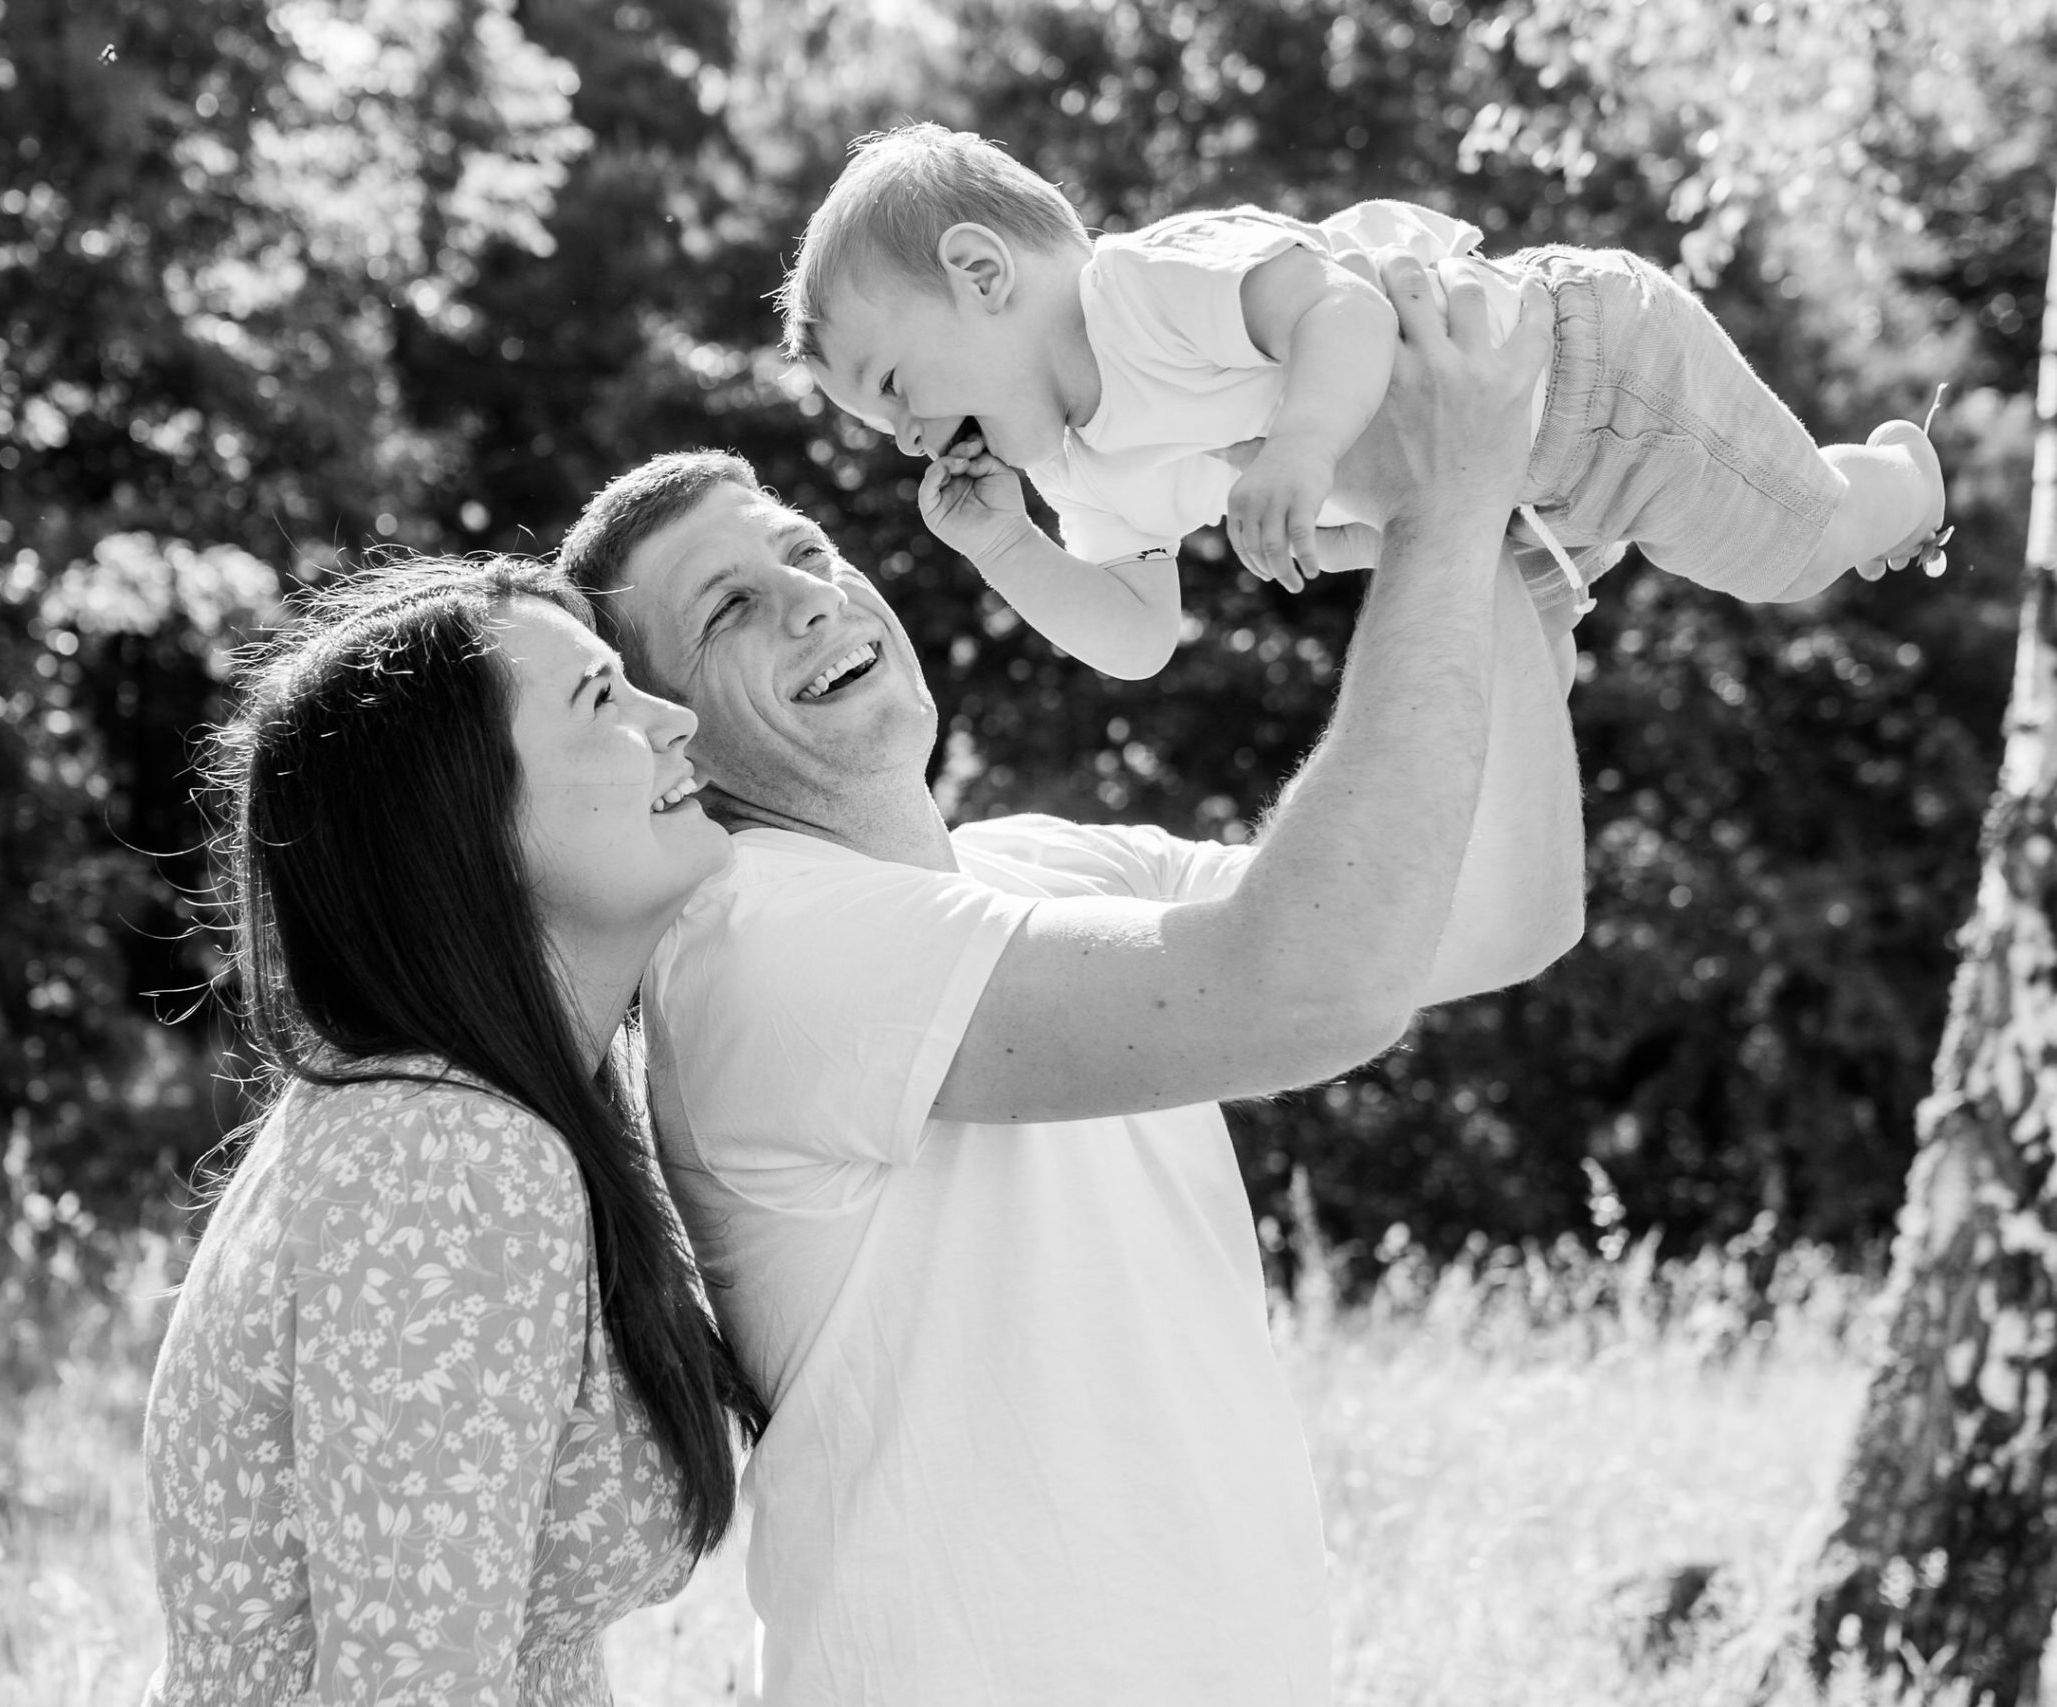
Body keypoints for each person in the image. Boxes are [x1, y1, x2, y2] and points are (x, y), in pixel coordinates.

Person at [556, 256, 1583, 1705]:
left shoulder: (1039, 864)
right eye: (726, 610)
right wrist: (1444, 511)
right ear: (674, 736)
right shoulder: (757, 941)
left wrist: (1492, 541)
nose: (806, 601)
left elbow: (1498, 915)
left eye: (805, 552)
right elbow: (1309, 988)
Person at [139, 558, 766, 1705]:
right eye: (601, 698)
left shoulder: (436, 1114)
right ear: (459, 826)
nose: (674, 719)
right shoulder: (444, 1160)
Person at [783, 122, 1949, 682]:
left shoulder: (1136, 292)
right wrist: (1002, 547)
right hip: (1506, 511)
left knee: (1787, 553)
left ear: (981, 274)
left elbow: (1336, 308)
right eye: (884, 432)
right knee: (1491, 722)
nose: (910, 439)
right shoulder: (1076, 473)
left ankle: (1898, 484)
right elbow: (1136, 639)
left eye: (894, 389)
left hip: (1584, 378)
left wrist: (1300, 445)